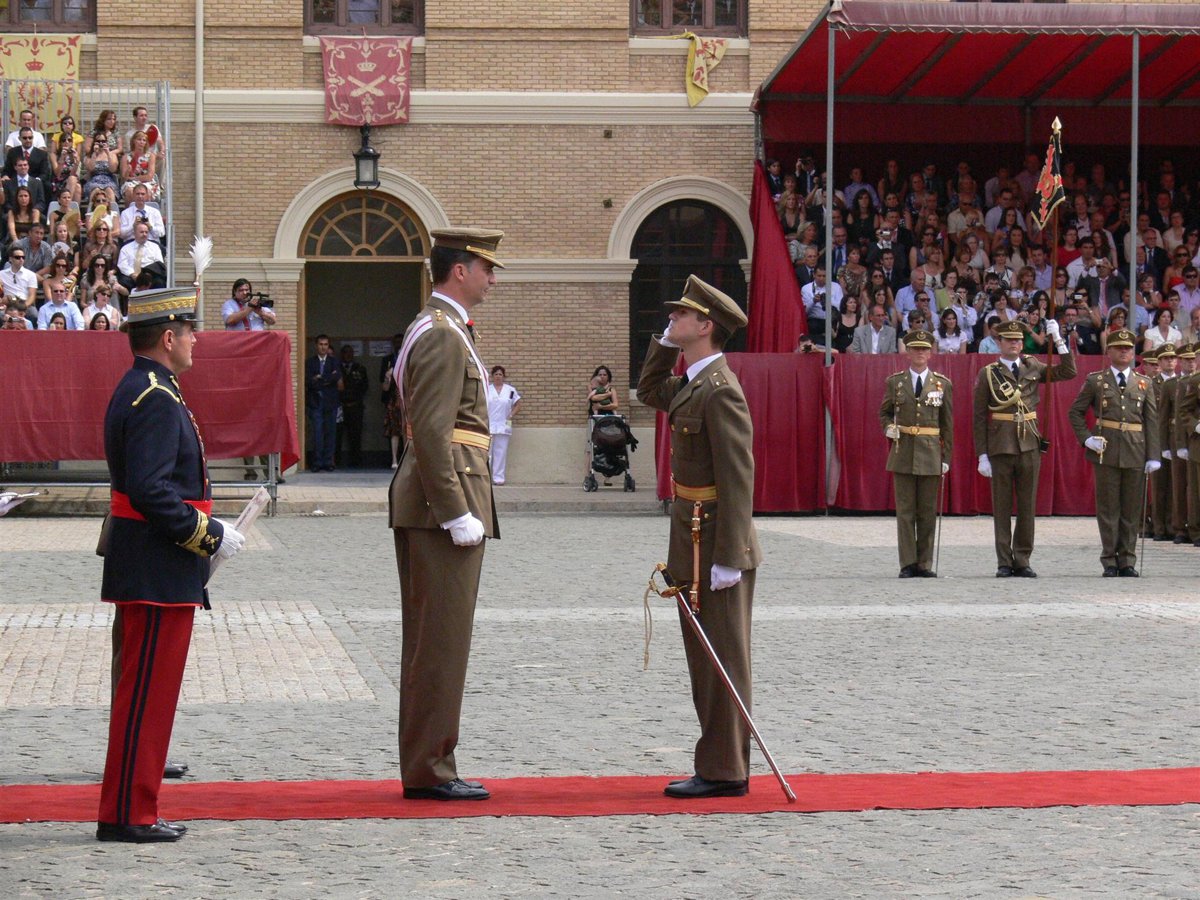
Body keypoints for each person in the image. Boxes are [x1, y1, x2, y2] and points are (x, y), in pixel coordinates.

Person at [96, 287, 245, 843]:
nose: (195, 339)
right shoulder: (154, 396)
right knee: (146, 698)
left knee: (146, 696)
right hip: (158, 567)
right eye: (188, 331)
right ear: (167, 337)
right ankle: (128, 814)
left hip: (154, 566)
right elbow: (151, 490)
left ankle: (130, 808)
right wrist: (208, 535)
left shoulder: (147, 387)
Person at [388, 227, 503, 802]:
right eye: (487, 267)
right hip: (441, 507)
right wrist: (456, 510)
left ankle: (427, 762)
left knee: (436, 640)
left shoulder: (444, 327)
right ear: (460, 270)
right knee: (440, 642)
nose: (492, 278)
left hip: (438, 501)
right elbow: (433, 432)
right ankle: (431, 768)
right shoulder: (441, 333)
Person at [636, 274, 760, 799]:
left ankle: (726, 769)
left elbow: (738, 476)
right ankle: (718, 762)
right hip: (690, 534)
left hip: (714, 541)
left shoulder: (721, 390)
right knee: (702, 655)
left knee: (722, 656)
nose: (672, 318)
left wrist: (730, 555)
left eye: (681, 314)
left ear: (705, 326)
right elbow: (648, 391)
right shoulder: (693, 383)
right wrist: (664, 345)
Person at [974, 318, 1077, 578]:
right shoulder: (988, 373)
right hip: (1000, 445)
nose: (1014, 344)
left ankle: (1022, 559)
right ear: (999, 343)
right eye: (1009, 340)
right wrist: (982, 454)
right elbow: (979, 416)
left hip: (1029, 442)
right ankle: (1003, 561)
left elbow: (1068, 372)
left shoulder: (1033, 365)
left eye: (1018, 340)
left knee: (1027, 505)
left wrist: (1058, 340)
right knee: (1001, 507)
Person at [1068, 328, 1161, 576]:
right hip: (1106, 450)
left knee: (1131, 509)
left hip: (1135, 449)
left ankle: (1127, 560)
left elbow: (1151, 420)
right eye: (1118, 348)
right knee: (1108, 509)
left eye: (1128, 348)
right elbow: (1075, 412)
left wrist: (1153, 455)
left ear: (1133, 352)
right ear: (1108, 351)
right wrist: (1087, 439)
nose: (1123, 352)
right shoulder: (1096, 381)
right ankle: (1109, 560)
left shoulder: (1144, 383)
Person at [879, 328, 952, 577]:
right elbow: (885, 412)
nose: (920, 353)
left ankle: (924, 563)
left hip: (931, 453)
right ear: (908, 352)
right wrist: (888, 427)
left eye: (924, 349)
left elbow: (947, 424)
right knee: (905, 512)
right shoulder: (895, 382)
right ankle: (908, 563)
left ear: (930, 353)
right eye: (915, 349)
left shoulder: (942, 383)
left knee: (928, 512)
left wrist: (946, 457)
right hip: (903, 451)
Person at [1150, 344, 1178, 541]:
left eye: (1173, 358)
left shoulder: (1181, 382)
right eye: (1166, 358)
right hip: (1159, 436)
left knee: (1175, 486)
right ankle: (1158, 527)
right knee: (1159, 486)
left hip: (1175, 436)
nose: (1170, 361)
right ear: (1159, 362)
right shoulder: (1152, 384)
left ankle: (1172, 525)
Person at [305, 334, 342, 472]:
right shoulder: (310, 362)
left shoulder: (334, 361)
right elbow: (308, 381)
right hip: (315, 402)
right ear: (316, 346)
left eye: (326, 344)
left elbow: (336, 377)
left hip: (330, 402)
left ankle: (328, 462)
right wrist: (326, 379)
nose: (323, 347)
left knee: (330, 433)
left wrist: (320, 378)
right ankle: (317, 462)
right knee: (317, 433)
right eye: (321, 344)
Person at [486, 365, 522, 485]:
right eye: (496, 374)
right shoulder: (487, 389)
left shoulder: (510, 391)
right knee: (487, 454)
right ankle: (486, 479)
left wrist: (511, 415)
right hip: (489, 425)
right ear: (492, 376)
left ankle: (498, 478)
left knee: (500, 453)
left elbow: (518, 404)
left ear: (504, 376)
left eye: (500, 374)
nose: (498, 376)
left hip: (503, 425)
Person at [336, 343, 369, 469]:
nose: (348, 355)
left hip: (355, 406)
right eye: (345, 352)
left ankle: (356, 461)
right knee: (337, 435)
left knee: (355, 435)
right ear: (342, 354)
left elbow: (365, 386)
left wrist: (356, 397)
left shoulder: (360, 368)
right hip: (340, 406)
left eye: (350, 352)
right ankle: (336, 460)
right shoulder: (337, 367)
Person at [380, 332, 405, 469]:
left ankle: (406, 459)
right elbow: (384, 387)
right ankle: (394, 459)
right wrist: (388, 376)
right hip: (393, 400)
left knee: (407, 430)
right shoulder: (388, 361)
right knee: (394, 431)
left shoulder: (409, 360)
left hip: (407, 400)